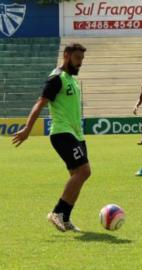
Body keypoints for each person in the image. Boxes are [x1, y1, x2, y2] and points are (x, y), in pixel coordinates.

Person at [12, 43, 90, 232]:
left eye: (82, 59)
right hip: (62, 133)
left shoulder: (71, 79)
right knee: (84, 172)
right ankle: (56, 212)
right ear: (66, 55)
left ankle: (65, 217)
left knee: (76, 176)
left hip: (76, 134)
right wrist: (28, 128)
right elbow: (40, 103)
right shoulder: (56, 78)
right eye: (77, 59)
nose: (80, 63)